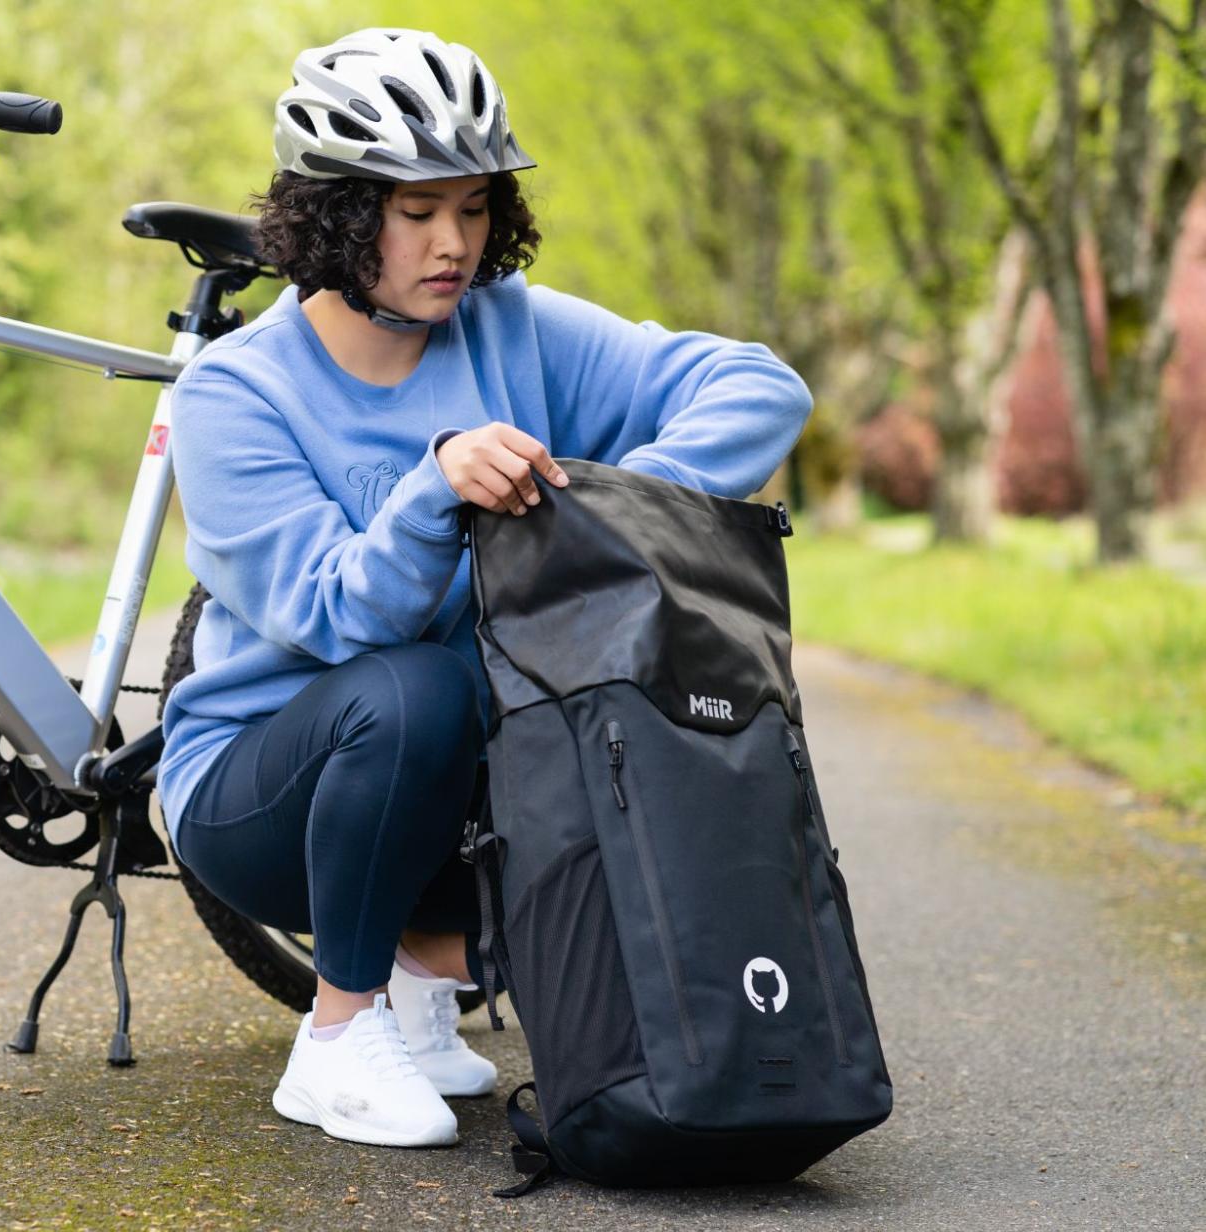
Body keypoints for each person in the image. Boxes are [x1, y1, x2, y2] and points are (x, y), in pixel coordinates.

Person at [157, 27, 813, 1149]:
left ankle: (421, 975)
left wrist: (614, 501)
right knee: (413, 684)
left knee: (651, 790)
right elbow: (331, 615)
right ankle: (334, 1033)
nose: (452, 242)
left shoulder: (510, 328)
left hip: (466, 783)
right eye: (415, 214)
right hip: (259, 798)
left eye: (471, 207)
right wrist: (432, 487)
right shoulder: (236, 392)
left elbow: (759, 385)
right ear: (338, 214)